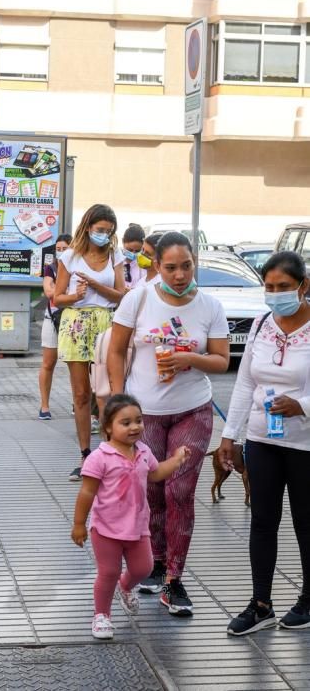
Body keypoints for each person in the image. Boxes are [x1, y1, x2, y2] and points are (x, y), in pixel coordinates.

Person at [107, 231, 230, 615]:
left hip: (193, 409)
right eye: (171, 267)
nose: (180, 275)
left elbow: (222, 360)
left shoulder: (210, 305)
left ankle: (175, 579)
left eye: (187, 266)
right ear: (157, 266)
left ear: (196, 263)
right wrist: (117, 400)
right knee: (151, 492)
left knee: (179, 491)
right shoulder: (138, 298)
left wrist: (189, 359)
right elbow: (115, 349)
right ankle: (155, 562)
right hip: (145, 415)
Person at [218, 251, 310, 636]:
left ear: (304, 287)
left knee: (306, 523)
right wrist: (229, 435)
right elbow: (245, 384)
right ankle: (261, 605)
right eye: (269, 287)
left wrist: (301, 405)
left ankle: (308, 599)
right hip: (262, 438)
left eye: (284, 288)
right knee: (262, 521)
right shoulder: (260, 324)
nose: (275, 295)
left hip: (305, 445)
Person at [71, 394, 191, 639]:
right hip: (106, 529)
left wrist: (177, 460)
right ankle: (101, 615)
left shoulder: (144, 451)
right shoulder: (99, 458)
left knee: (143, 568)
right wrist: (79, 524)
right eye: (125, 423)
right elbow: (87, 492)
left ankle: (125, 587)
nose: (135, 427)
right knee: (108, 572)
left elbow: (156, 474)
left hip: (137, 526)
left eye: (138, 420)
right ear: (107, 427)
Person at [53, 204, 126, 481]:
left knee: (105, 393)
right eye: (100, 230)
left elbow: (121, 295)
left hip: (106, 323)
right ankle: (85, 455)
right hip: (75, 323)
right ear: (87, 228)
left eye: (109, 231)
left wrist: (95, 285)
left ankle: (111, 452)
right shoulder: (70, 256)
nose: (104, 236)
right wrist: (75, 296)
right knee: (81, 394)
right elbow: (57, 297)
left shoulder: (114, 255)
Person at [38, 233, 72, 419]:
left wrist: (62, 294)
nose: (60, 253)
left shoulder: (78, 268)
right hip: (53, 317)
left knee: (76, 365)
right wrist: (69, 293)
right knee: (48, 362)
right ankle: (44, 406)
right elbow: (49, 291)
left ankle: (78, 403)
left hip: (74, 319)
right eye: (58, 249)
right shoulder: (51, 268)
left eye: (64, 249)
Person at [121, 225, 145, 290]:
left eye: (137, 251)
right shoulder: (115, 260)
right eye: (130, 250)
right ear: (123, 241)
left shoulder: (144, 264)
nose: (133, 253)